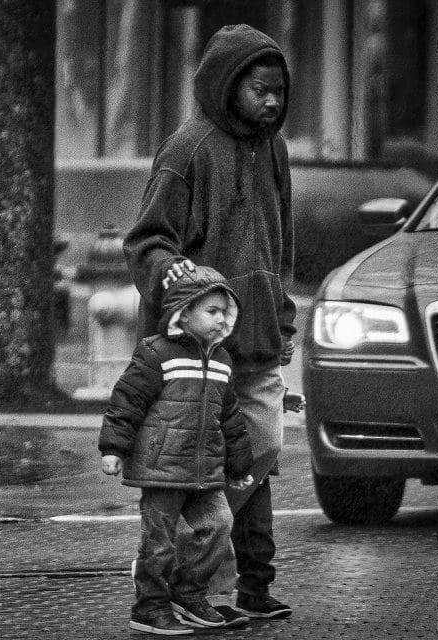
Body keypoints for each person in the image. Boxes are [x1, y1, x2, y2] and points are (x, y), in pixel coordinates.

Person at [122, 24, 296, 621]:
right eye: (261, 91)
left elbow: (281, 245)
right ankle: (198, 594)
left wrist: (285, 320)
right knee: (213, 478)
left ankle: (244, 587)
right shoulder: (187, 149)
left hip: (262, 345)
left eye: (279, 92)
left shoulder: (275, 149)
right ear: (228, 87)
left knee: (258, 458)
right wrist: (171, 273)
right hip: (202, 348)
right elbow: (145, 241)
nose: (273, 102)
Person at [98, 266, 256, 636]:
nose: (220, 319)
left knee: (219, 526)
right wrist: (114, 447)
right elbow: (127, 401)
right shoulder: (157, 353)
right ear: (184, 312)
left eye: (224, 312)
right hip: (162, 468)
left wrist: (239, 463)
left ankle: (188, 592)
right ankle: (149, 607)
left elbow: (230, 417)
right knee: (159, 543)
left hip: (205, 471)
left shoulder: (222, 362)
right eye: (211, 311)